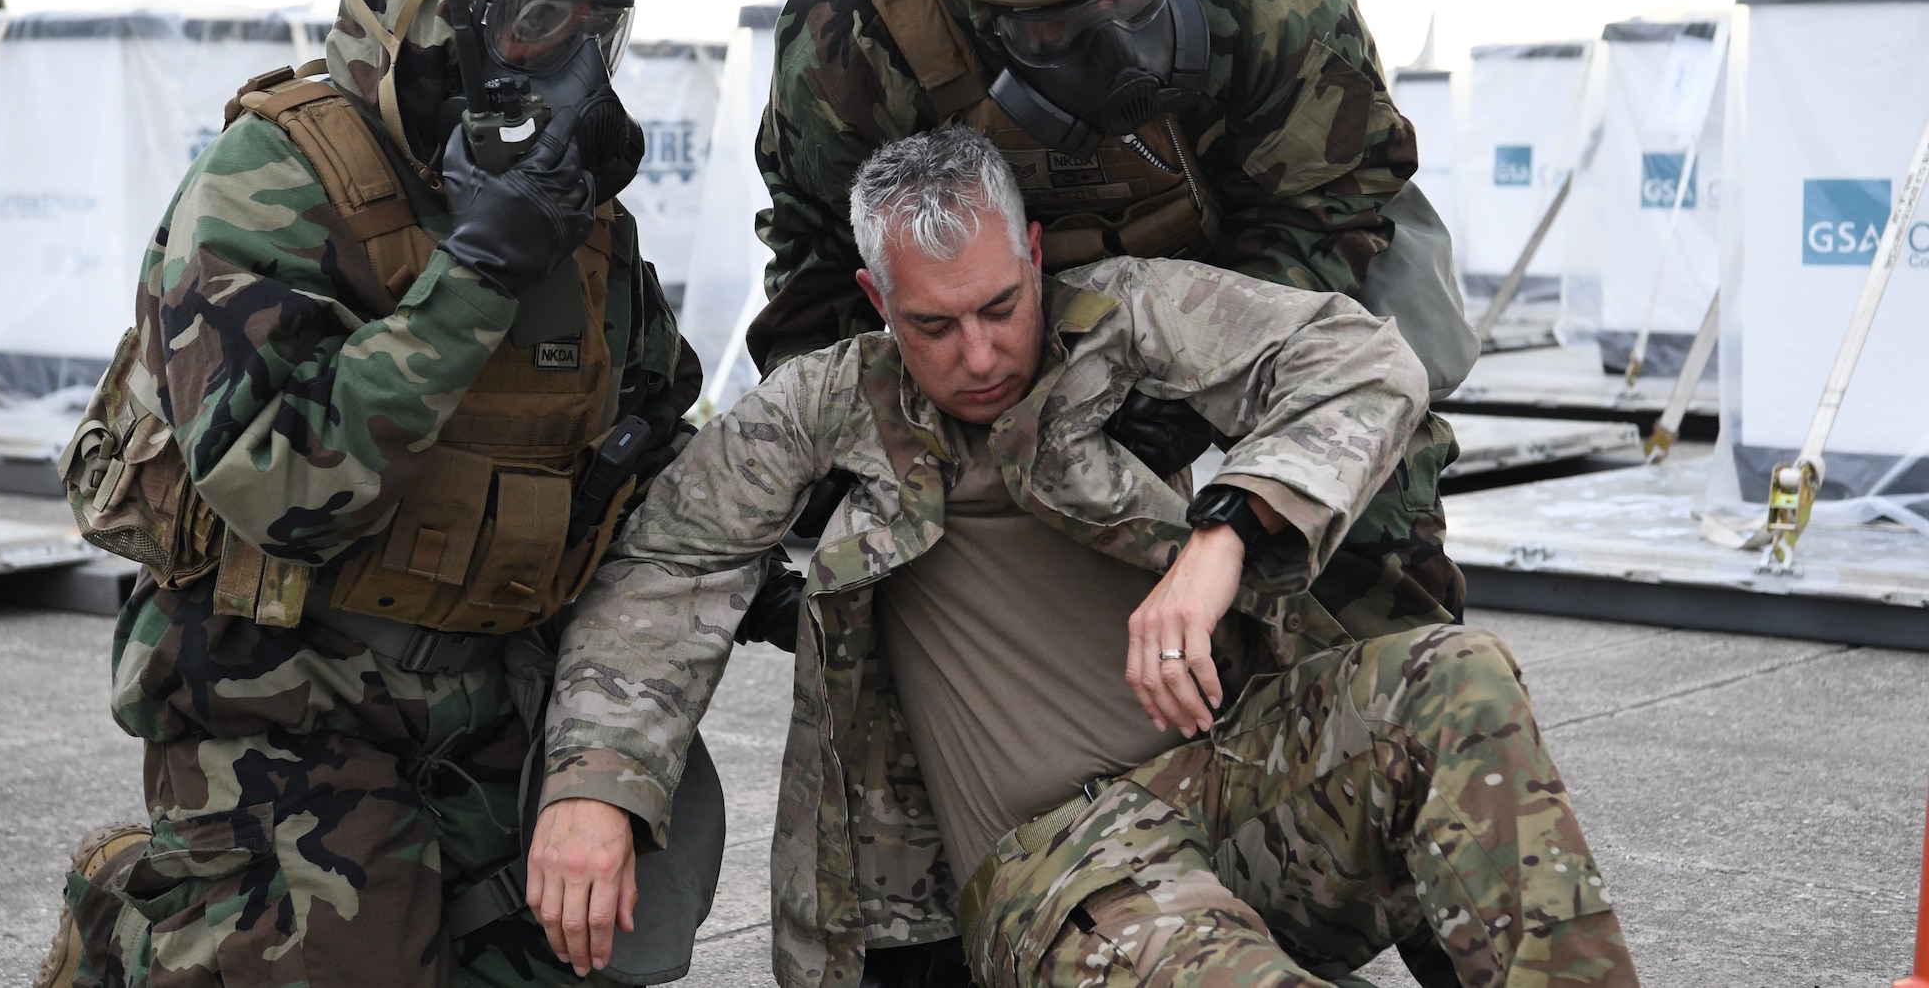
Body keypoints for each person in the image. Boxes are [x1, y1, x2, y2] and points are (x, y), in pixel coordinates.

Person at [528, 128, 1636, 987]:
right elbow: (666, 567)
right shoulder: (823, 407)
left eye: (1000, 307)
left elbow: (1363, 361)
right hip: (1058, 869)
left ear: (1033, 256)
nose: (977, 354)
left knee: (1457, 676)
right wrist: (595, 787)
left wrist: (1225, 534)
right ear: (877, 304)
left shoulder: (1125, 322)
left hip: (1233, 786)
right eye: (932, 325)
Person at [39, 0, 710, 988]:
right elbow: (282, 480)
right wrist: (476, 279)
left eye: (587, 36)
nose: (557, 74)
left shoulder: (575, 224)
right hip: (285, 702)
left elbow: (653, 446)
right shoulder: (271, 184)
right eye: (527, 23)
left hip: (487, 705)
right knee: (354, 957)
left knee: (595, 937)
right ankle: (134, 924)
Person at [749, 0, 1477, 643]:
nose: (1125, 55)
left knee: (1364, 477)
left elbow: (1336, 194)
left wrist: (1191, 385)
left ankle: (1403, 699)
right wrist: (859, 454)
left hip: (1257, 267)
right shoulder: (850, 41)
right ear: (967, 3)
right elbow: (820, 259)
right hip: (1002, 312)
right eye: (1058, 28)